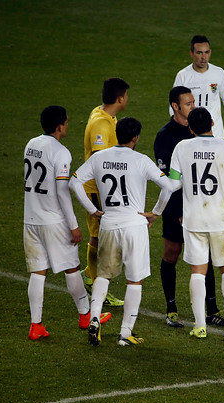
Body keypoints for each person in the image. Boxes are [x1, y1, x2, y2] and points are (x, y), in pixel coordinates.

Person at [69, 117, 176, 346]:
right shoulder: (141, 160)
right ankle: (125, 334)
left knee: (103, 277)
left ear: (117, 134)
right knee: (134, 281)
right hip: (134, 225)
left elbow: (74, 182)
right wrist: (155, 212)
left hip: (108, 224)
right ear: (136, 137)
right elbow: (168, 187)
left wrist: (93, 210)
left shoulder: (100, 157)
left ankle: (95, 318)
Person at [23, 105, 111, 340]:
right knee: (72, 267)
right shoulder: (61, 152)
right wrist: (73, 225)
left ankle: (36, 325)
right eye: (67, 122)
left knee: (38, 272)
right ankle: (85, 315)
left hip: (30, 219)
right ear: (60, 126)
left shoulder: (30, 144)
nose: (68, 126)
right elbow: (63, 191)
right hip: (53, 220)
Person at [168, 107, 224, 339]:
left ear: (190, 127)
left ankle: (200, 326)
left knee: (197, 271)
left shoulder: (182, 147)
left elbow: (173, 184)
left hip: (194, 220)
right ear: (213, 123)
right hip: (221, 219)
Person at [154, 86, 224, 328]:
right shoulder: (165, 137)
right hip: (177, 208)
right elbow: (169, 183)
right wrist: (179, 212)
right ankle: (171, 308)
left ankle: (212, 309)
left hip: (201, 208)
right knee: (171, 253)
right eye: (188, 103)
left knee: (205, 255)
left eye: (194, 102)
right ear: (175, 106)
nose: (192, 107)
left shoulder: (199, 133)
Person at [81, 77, 130, 307]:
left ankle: (92, 277)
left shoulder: (105, 115)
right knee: (99, 236)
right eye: (126, 96)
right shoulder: (101, 124)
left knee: (102, 236)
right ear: (120, 98)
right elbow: (100, 161)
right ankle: (92, 279)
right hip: (98, 189)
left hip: (104, 189)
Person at [173, 35, 224, 147]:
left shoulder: (218, 73)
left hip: (215, 134)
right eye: (199, 53)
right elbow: (173, 106)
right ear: (191, 53)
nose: (203, 57)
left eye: (206, 52)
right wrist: (180, 127)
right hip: (191, 134)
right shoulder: (183, 76)